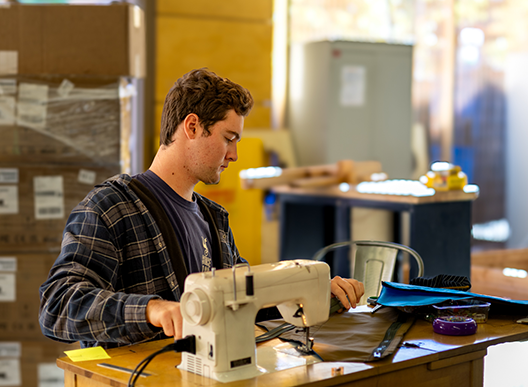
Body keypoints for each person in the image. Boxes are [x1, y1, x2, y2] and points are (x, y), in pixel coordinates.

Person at [39, 68, 365, 349]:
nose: (235, 154)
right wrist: (152, 311)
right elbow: (58, 304)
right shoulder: (110, 207)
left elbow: (245, 304)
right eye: (228, 138)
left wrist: (311, 293)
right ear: (192, 127)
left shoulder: (215, 220)